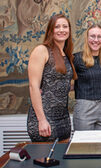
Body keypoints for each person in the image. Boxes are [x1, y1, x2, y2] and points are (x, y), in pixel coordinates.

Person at [27, 14, 77, 142]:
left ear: (69, 30)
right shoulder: (41, 51)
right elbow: (34, 87)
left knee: (63, 161)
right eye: (57, 27)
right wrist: (42, 120)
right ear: (51, 30)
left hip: (63, 118)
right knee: (45, 160)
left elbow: (60, 83)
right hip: (45, 118)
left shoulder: (66, 54)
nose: (61, 30)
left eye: (65, 26)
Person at [73, 24, 101, 130]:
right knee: (84, 144)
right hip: (84, 108)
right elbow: (62, 77)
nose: (96, 40)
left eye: (99, 36)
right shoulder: (76, 58)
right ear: (87, 38)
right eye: (92, 36)